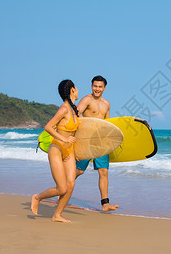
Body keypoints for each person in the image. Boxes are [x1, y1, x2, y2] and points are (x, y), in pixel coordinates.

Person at [31, 79, 80, 223]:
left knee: (71, 185)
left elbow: (76, 134)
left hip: (69, 151)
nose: (78, 90)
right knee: (61, 188)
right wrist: (64, 140)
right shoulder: (64, 108)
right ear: (72, 89)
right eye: (76, 88)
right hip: (57, 149)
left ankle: (57, 215)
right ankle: (37, 197)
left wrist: (79, 152)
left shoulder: (74, 109)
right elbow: (48, 127)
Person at [75, 75, 119, 212]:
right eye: (95, 86)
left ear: (104, 88)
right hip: (87, 140)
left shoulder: (107, 104)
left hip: (100, 142)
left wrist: (110, 140)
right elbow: (75, 113)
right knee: (79, 171)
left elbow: (107, 123)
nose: (97, 89)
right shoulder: (87, 100)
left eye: (100, 87)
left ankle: (105, 203)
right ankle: (62, 190)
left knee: (104, 172)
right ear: (91, 86)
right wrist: (86, 127)